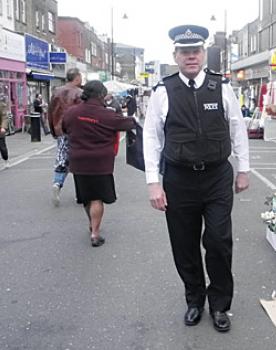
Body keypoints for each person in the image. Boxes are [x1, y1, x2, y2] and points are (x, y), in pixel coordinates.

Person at [143, 24, 250, 333]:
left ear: (204, 54)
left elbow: (237, 129)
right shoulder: (163, 91)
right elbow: (151, 138)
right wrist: (154, 182)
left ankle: (219, 304)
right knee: (184, 244)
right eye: (184, 52)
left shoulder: (222, 87)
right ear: (175, 56)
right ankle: (194, 299)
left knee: (218, 241)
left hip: (217, 177)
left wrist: (243, 169)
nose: (190, 57)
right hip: (179, 179)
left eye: (195, 51)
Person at [62, 80, 136, 247]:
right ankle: (95, 233)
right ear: (102, 95)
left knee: (86, 197)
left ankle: (91, 223)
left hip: (79, 162)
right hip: (100, 163)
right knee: (97, 199)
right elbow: (128, 123)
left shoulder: (71, 113)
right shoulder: (107, 114)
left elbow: (64, 129)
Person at [48, 68, 83, 206]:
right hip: (77, 131)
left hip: (60, 130)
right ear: (77, 77)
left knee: (62, 159)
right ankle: (80, 193)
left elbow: (50, 113)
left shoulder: (56, 92)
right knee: (79, 161)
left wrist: (53, 130)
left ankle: (57, 183)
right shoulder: (80, 93)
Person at [0, 96, 9, 168]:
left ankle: (5, 159)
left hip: (0, 129)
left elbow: (4, 117)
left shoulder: (1, 105)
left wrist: (3, 127)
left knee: (2, 147)